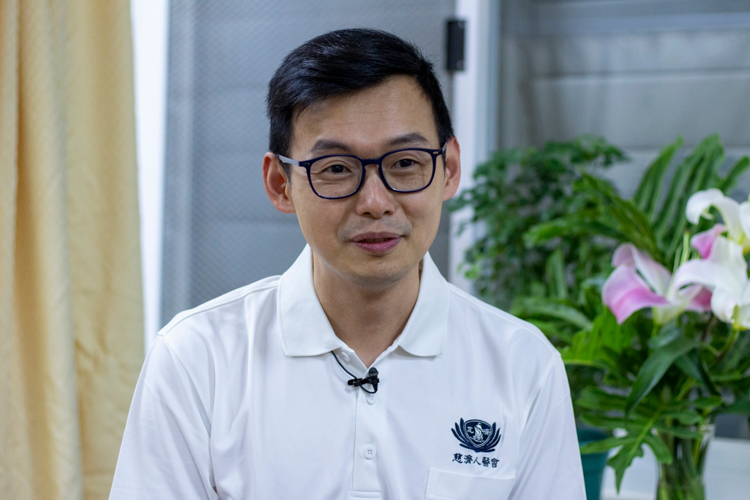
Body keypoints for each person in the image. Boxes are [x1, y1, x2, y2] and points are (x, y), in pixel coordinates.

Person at [110, 28, 585, 500]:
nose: (375, 202)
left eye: (405, 163)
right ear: (280, 184)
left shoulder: (523, 365)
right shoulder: (198, 360)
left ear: (449, 169)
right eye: (336, 169)